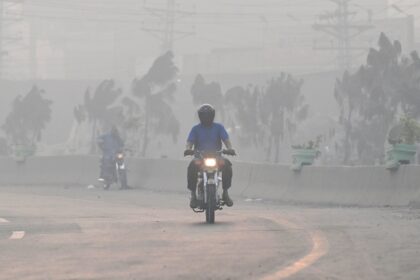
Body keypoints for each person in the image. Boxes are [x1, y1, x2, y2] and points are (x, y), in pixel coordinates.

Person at [184, 104, 236, 208]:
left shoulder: (219, 127)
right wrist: (188, 149)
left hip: (217, 157)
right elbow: (189, 142)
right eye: (204, 115)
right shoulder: (195, 129)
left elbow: (226, 140)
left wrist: (230, 148)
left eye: (208, 115)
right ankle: (193, 195)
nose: (206, 118)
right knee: (192, 166)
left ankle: (225, 193)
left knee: (227, 165)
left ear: (212, 116)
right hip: (200, 157)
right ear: (200, 116)